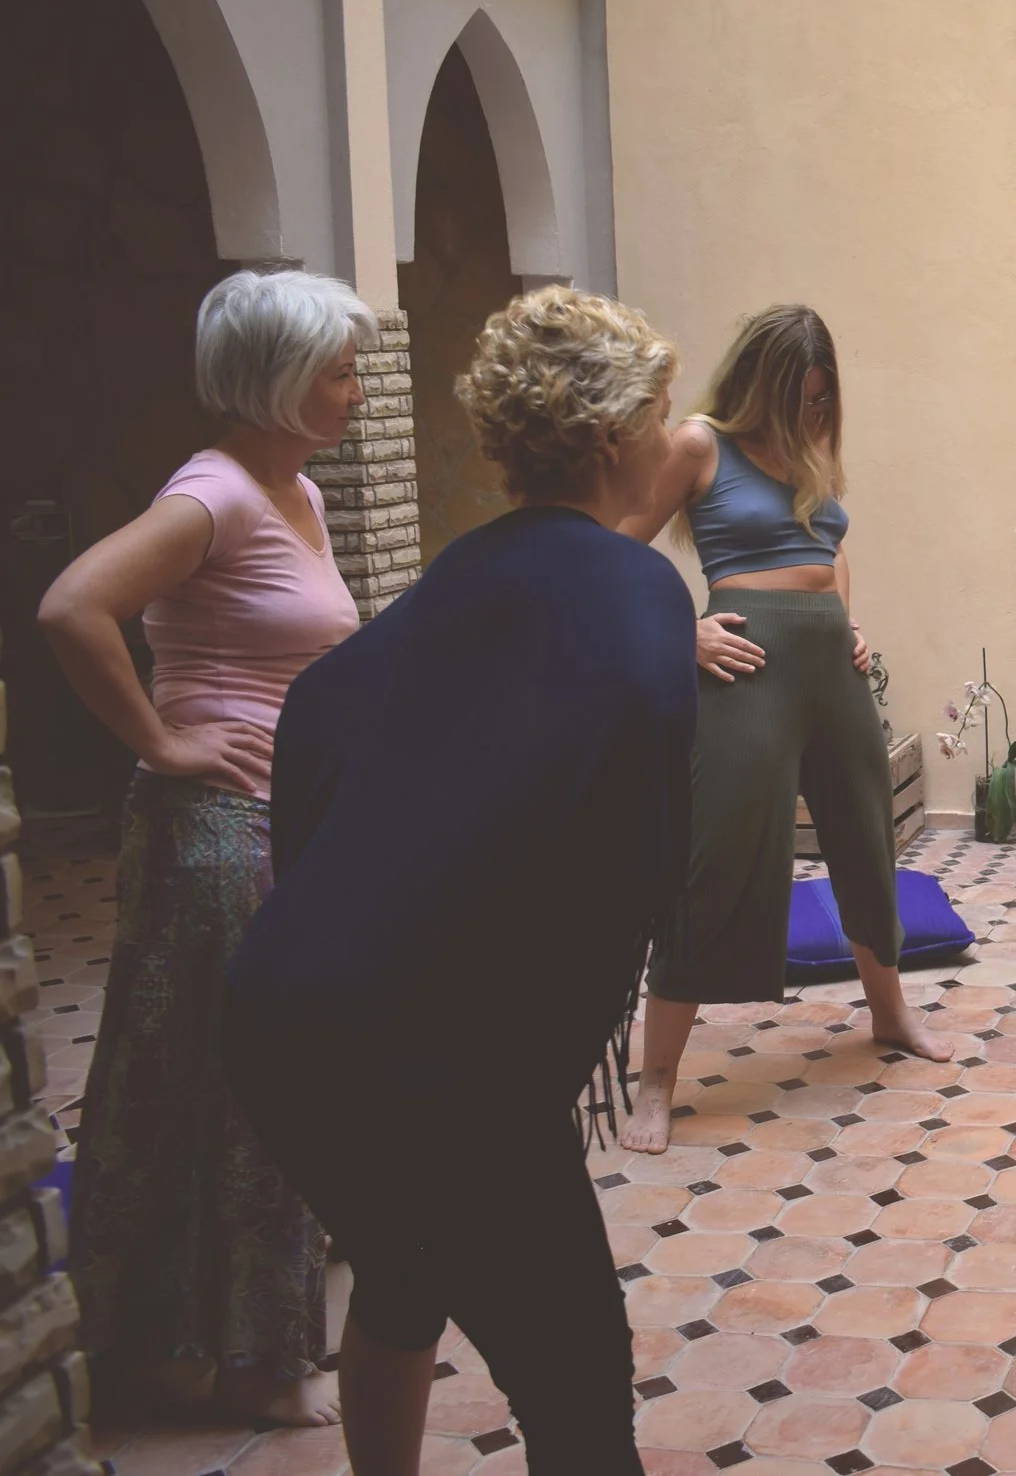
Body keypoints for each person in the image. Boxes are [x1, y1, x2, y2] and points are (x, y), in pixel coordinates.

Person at [224, 285, 694, 1474]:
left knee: (401, 1270)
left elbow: (319, 722)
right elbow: (630, 859)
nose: (673, 439)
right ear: (608, 437)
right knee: (577, 1375)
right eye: (660, 414)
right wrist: (537, 1083)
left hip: (281, 1021)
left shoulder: (456, 575)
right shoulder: (639, 588)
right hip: (439, 1052)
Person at [38, 269, 370, 1427]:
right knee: (236, 1091)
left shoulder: (301, 493)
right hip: (211, 835)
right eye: (337, 369)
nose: (355, 388)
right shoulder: (214, 492)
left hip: (280, 823)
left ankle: (184, 1340)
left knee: (239, 1083)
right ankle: (252, 1364)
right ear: (280, 380)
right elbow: (73, 604)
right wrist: (164, 741)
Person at [615, 305, 948, 1157]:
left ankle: (889, 1013)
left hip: (832, 671)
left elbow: (830, 546)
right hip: (745, 672)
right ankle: (657, 1081)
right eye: (797, 395)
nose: (810, 412)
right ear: (757, 381)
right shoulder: (698, 442)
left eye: (821, 397)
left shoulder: (813, 454)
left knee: (867, 838)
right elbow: (614, 550)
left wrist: (848, 617)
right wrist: (679, 632)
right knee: (714, 855)